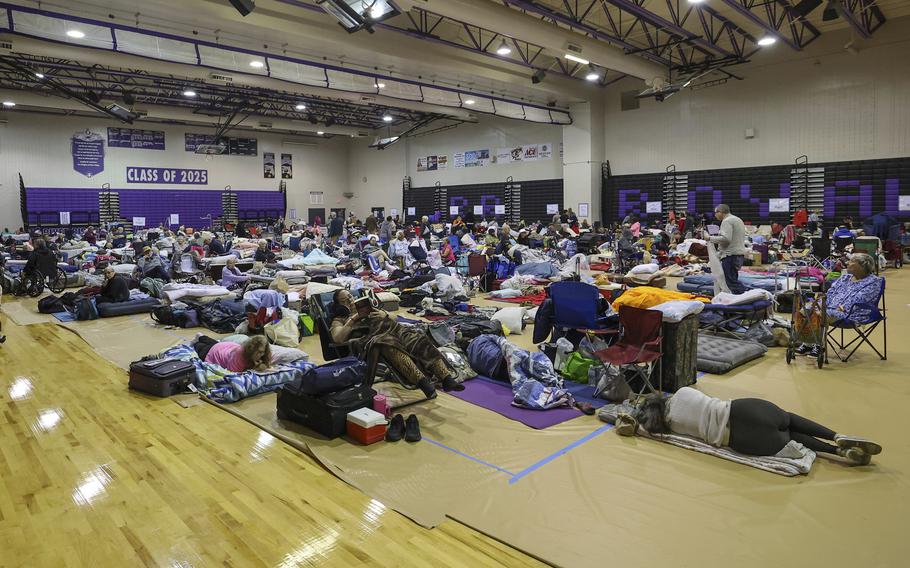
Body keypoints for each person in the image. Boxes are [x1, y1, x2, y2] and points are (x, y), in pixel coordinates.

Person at [626, 387, 881, 466]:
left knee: (790, 436)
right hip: (743, 409)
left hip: (742, 439)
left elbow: (636, 426)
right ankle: (837, 436)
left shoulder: (669, 427)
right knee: (789, 419)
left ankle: (837, 453)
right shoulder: (682, 393)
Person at [329, 290, 463, 398]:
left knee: (417, 338)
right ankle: (423, 382)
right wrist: (354, 318)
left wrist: (384, 314)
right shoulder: (340, 319)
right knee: (388, 345)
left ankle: (446, 378)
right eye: (345, 301)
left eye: (350, 296)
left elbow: (395, 318)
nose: (350, 301)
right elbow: (338, 338)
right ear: (339, 306)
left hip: (395, 330)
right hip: (376, 338)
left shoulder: (371, 309)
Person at [794, 253, 881, 357]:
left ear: (862, 266)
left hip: (853, 313)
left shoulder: (874, 282)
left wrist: (834, 309)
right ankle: (808, 343)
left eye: (852, 261)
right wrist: (820, 304)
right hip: (831, 308)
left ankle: (818, 346)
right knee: (806, 310)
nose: (848, 263)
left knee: (822, 314)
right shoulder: (845, 278)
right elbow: (831, 292)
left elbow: (860, 300)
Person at [709, 204, 747, 294]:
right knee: (733, 279)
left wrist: (709, 238)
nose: (715, 215)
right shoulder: (737, 219)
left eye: (716, 213)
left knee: (730, 282)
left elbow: (726, 239)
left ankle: (745, 298)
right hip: (738, 254)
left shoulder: (727, 221)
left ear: (720, 212)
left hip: (730, 255)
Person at [203, 335, 272, 372]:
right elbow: (232, 373)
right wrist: (254, 369)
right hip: (217, 352)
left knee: (210, 343)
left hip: (229, 347)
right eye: (259, 352)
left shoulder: (264, 355)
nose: (261, 355)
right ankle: (201, 338)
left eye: (263, 352)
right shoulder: (240, 355)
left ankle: (203, 338)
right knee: (201, 347)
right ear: (251, 349)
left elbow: (267, 365)